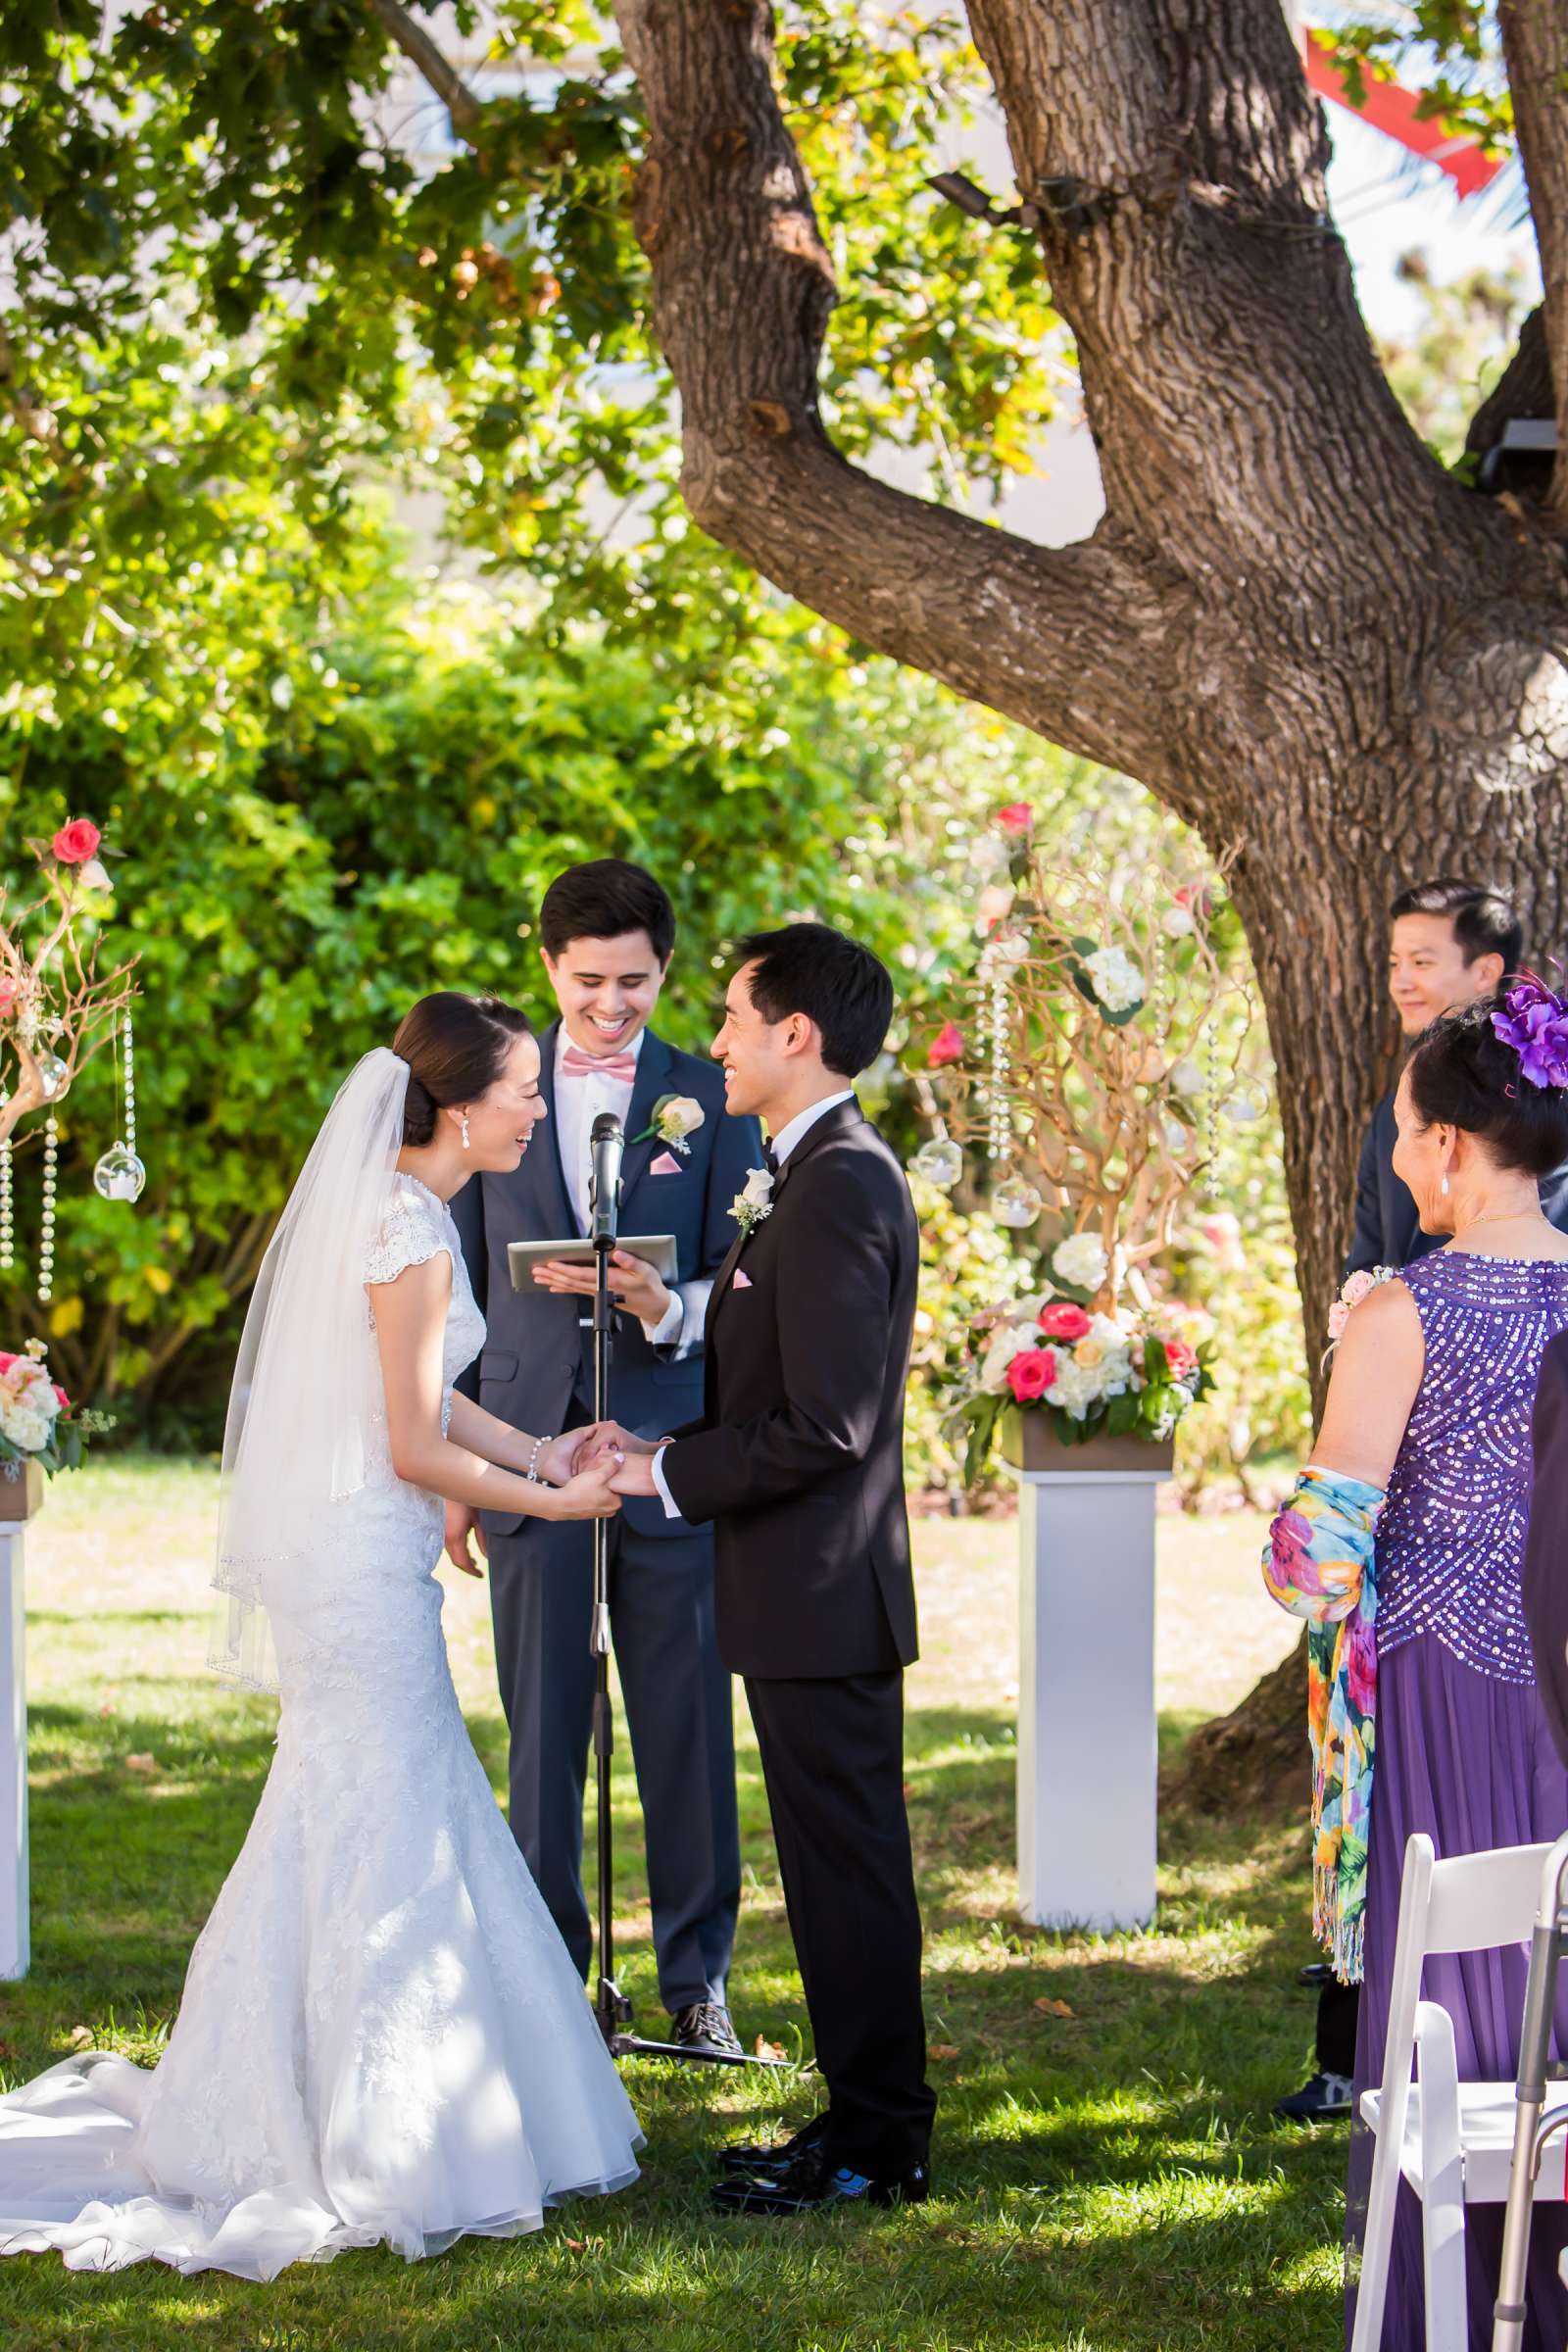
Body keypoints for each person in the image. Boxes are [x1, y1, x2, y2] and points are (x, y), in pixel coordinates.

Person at [0, 994, 641, 2279]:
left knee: (352, 1799)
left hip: (349, 1541)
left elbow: (420, 1397)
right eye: (523, 1089)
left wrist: (539, 1444)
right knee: (386, 1802)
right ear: (463, 1107)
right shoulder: (413, 1225)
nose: (535, 1107)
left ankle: (290, 2094)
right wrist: (558, 1499)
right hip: (359, 1557)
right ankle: (379, 2133)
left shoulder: (399, 1213)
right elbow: (412, 1443)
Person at [603, 922, 936, 2214]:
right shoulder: (800, 1171)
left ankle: (882, 2142)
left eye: (737, 1017)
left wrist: (665, 1476)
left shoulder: (844, 1180)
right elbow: (776, 1383)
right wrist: (658, 1447)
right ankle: (859, 2118)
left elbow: (829, 1423)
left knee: (848, 1873)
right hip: (795, 1594)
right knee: (829, 1870)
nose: (719, 1040)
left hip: (824, 1595)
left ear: (799, 1034)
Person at [1262, 985, 1568, 2350]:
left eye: (1400, 1131)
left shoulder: (1400, 1309)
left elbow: (1318, 1558)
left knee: (1456, 1993)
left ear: (1450, 1146)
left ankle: (1441, 2312)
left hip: (1448, 1705)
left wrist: (1287, 1513)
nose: (1395, 1160)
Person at [448, 860, 760, 2057]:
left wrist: (659, 1301)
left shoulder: (712, 1095)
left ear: (664, 971)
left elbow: (744, 1281)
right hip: (523, 1454)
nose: (611, 1005)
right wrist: (460, 1483)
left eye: (633, 982)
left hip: (667, 1453)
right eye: (588, 983)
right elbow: (466, 1290)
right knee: (543, 1732)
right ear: (547, 970)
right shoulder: (492, 1086)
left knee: (684, 1726)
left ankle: (697, 1984)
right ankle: (548, 1980)